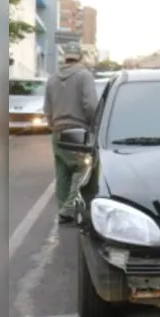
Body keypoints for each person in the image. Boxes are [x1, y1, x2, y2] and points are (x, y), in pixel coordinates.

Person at [44, 42, 98, 223]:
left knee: (62, 172)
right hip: (78, 131)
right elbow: (90, 105)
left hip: (57, 131)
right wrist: (93, 124)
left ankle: (63, 211)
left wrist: (53, 124)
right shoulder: (84, 75)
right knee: (82, 169)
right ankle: (68, 210)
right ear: (80, 57)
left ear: (64, 57)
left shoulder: (52, 79)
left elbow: (47, 108)